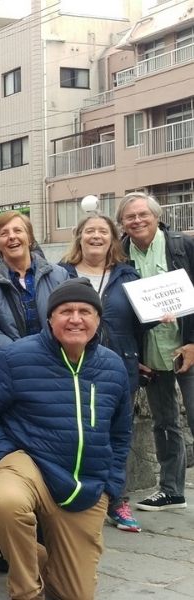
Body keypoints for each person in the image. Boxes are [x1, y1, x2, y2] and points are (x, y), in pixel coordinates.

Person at [0, 278, 132, 600]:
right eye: (66, 311)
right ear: (50, 318)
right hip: (29, 464)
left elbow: (121, 432)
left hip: (84, 484)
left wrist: (111, 485)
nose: (76, 318)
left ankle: (11, 546)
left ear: (97, 319)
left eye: (85, 311)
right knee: (8, 502)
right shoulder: (17, 357)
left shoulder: (113, 366)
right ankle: (25, 591)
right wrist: (4, 453)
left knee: (74, 594)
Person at [59, 211, 149, 532]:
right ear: (79, 236)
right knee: (78, 434)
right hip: (74, 367)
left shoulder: (128, 277)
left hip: (121, 367)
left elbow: (141, 324)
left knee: (118, 434)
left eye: (103, 231)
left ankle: (116, 499)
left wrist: (146, 346)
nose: (96, 236)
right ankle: (78, 497)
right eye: (89, 231)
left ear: (113, 239)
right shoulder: (61, 274)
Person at [115, 192, 194, 512]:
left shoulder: (182, 246)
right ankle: (172, 490)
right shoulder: (120, 253)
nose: (136, 221)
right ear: (122, 223)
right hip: (151, 352)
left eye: (142, 215)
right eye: (129, 217)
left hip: (186, 347)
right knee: (165, 422)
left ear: (156, 216)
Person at [0, 211, 68, 366]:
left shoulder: (58, 275)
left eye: (18, 230)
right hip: (12, 367)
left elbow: (68, 319)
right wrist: (23, 357)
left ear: (29, 238)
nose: (12, 237)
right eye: (4, 233)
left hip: (56, 363)